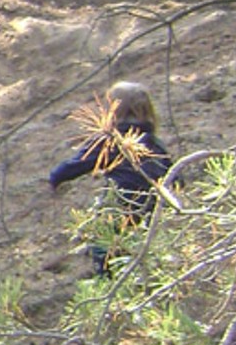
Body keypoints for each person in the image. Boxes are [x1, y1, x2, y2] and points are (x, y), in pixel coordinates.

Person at [47, 80, 172, 275]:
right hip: (151, 215)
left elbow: (68, 170)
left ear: (114, 110)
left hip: (118, 211)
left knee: (105, 255)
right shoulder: (156, 145)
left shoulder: (111, 141)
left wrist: (54, 179)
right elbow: (176, 179)